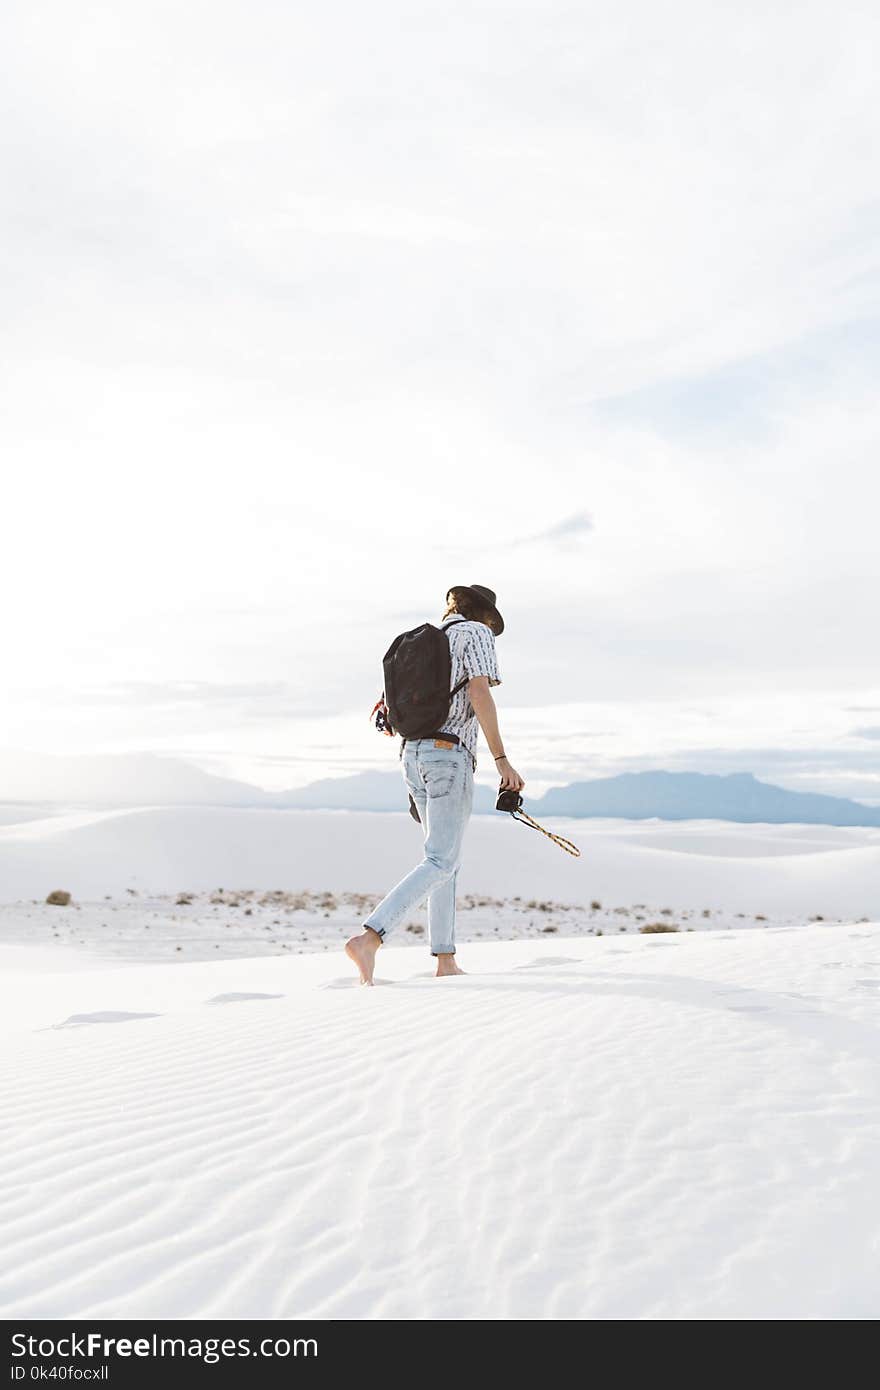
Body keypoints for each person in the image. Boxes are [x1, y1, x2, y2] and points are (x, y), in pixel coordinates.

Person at [345, 584, 525, 985]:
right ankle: (370, 937)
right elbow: (479, 692)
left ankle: (445, 960)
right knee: (441, 860)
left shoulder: (424, 641)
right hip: (449, 754)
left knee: (444, 861)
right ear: (482, 616)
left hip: (412, 757)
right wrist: (501, 760)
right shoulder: (474, 634)